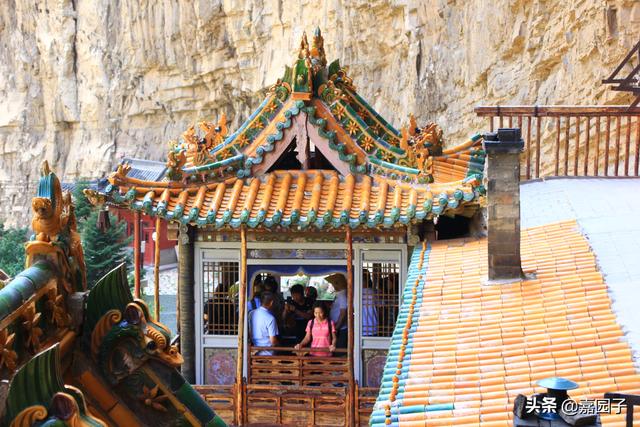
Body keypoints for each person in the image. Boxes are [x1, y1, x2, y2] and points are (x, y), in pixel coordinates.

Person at [325, 273, 348, 350]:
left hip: (340, 328)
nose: (332, 285)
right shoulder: (340, 294)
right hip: (337, 326)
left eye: (333, 283)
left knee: (339, 349)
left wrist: (337, 328)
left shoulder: (342, 295)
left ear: (337, 284)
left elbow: (343, 313)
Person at [361, 269, 379, 336]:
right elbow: (381, 305)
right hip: (373, 325)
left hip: (359, 327)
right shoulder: (374, 292)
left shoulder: (355, 293)